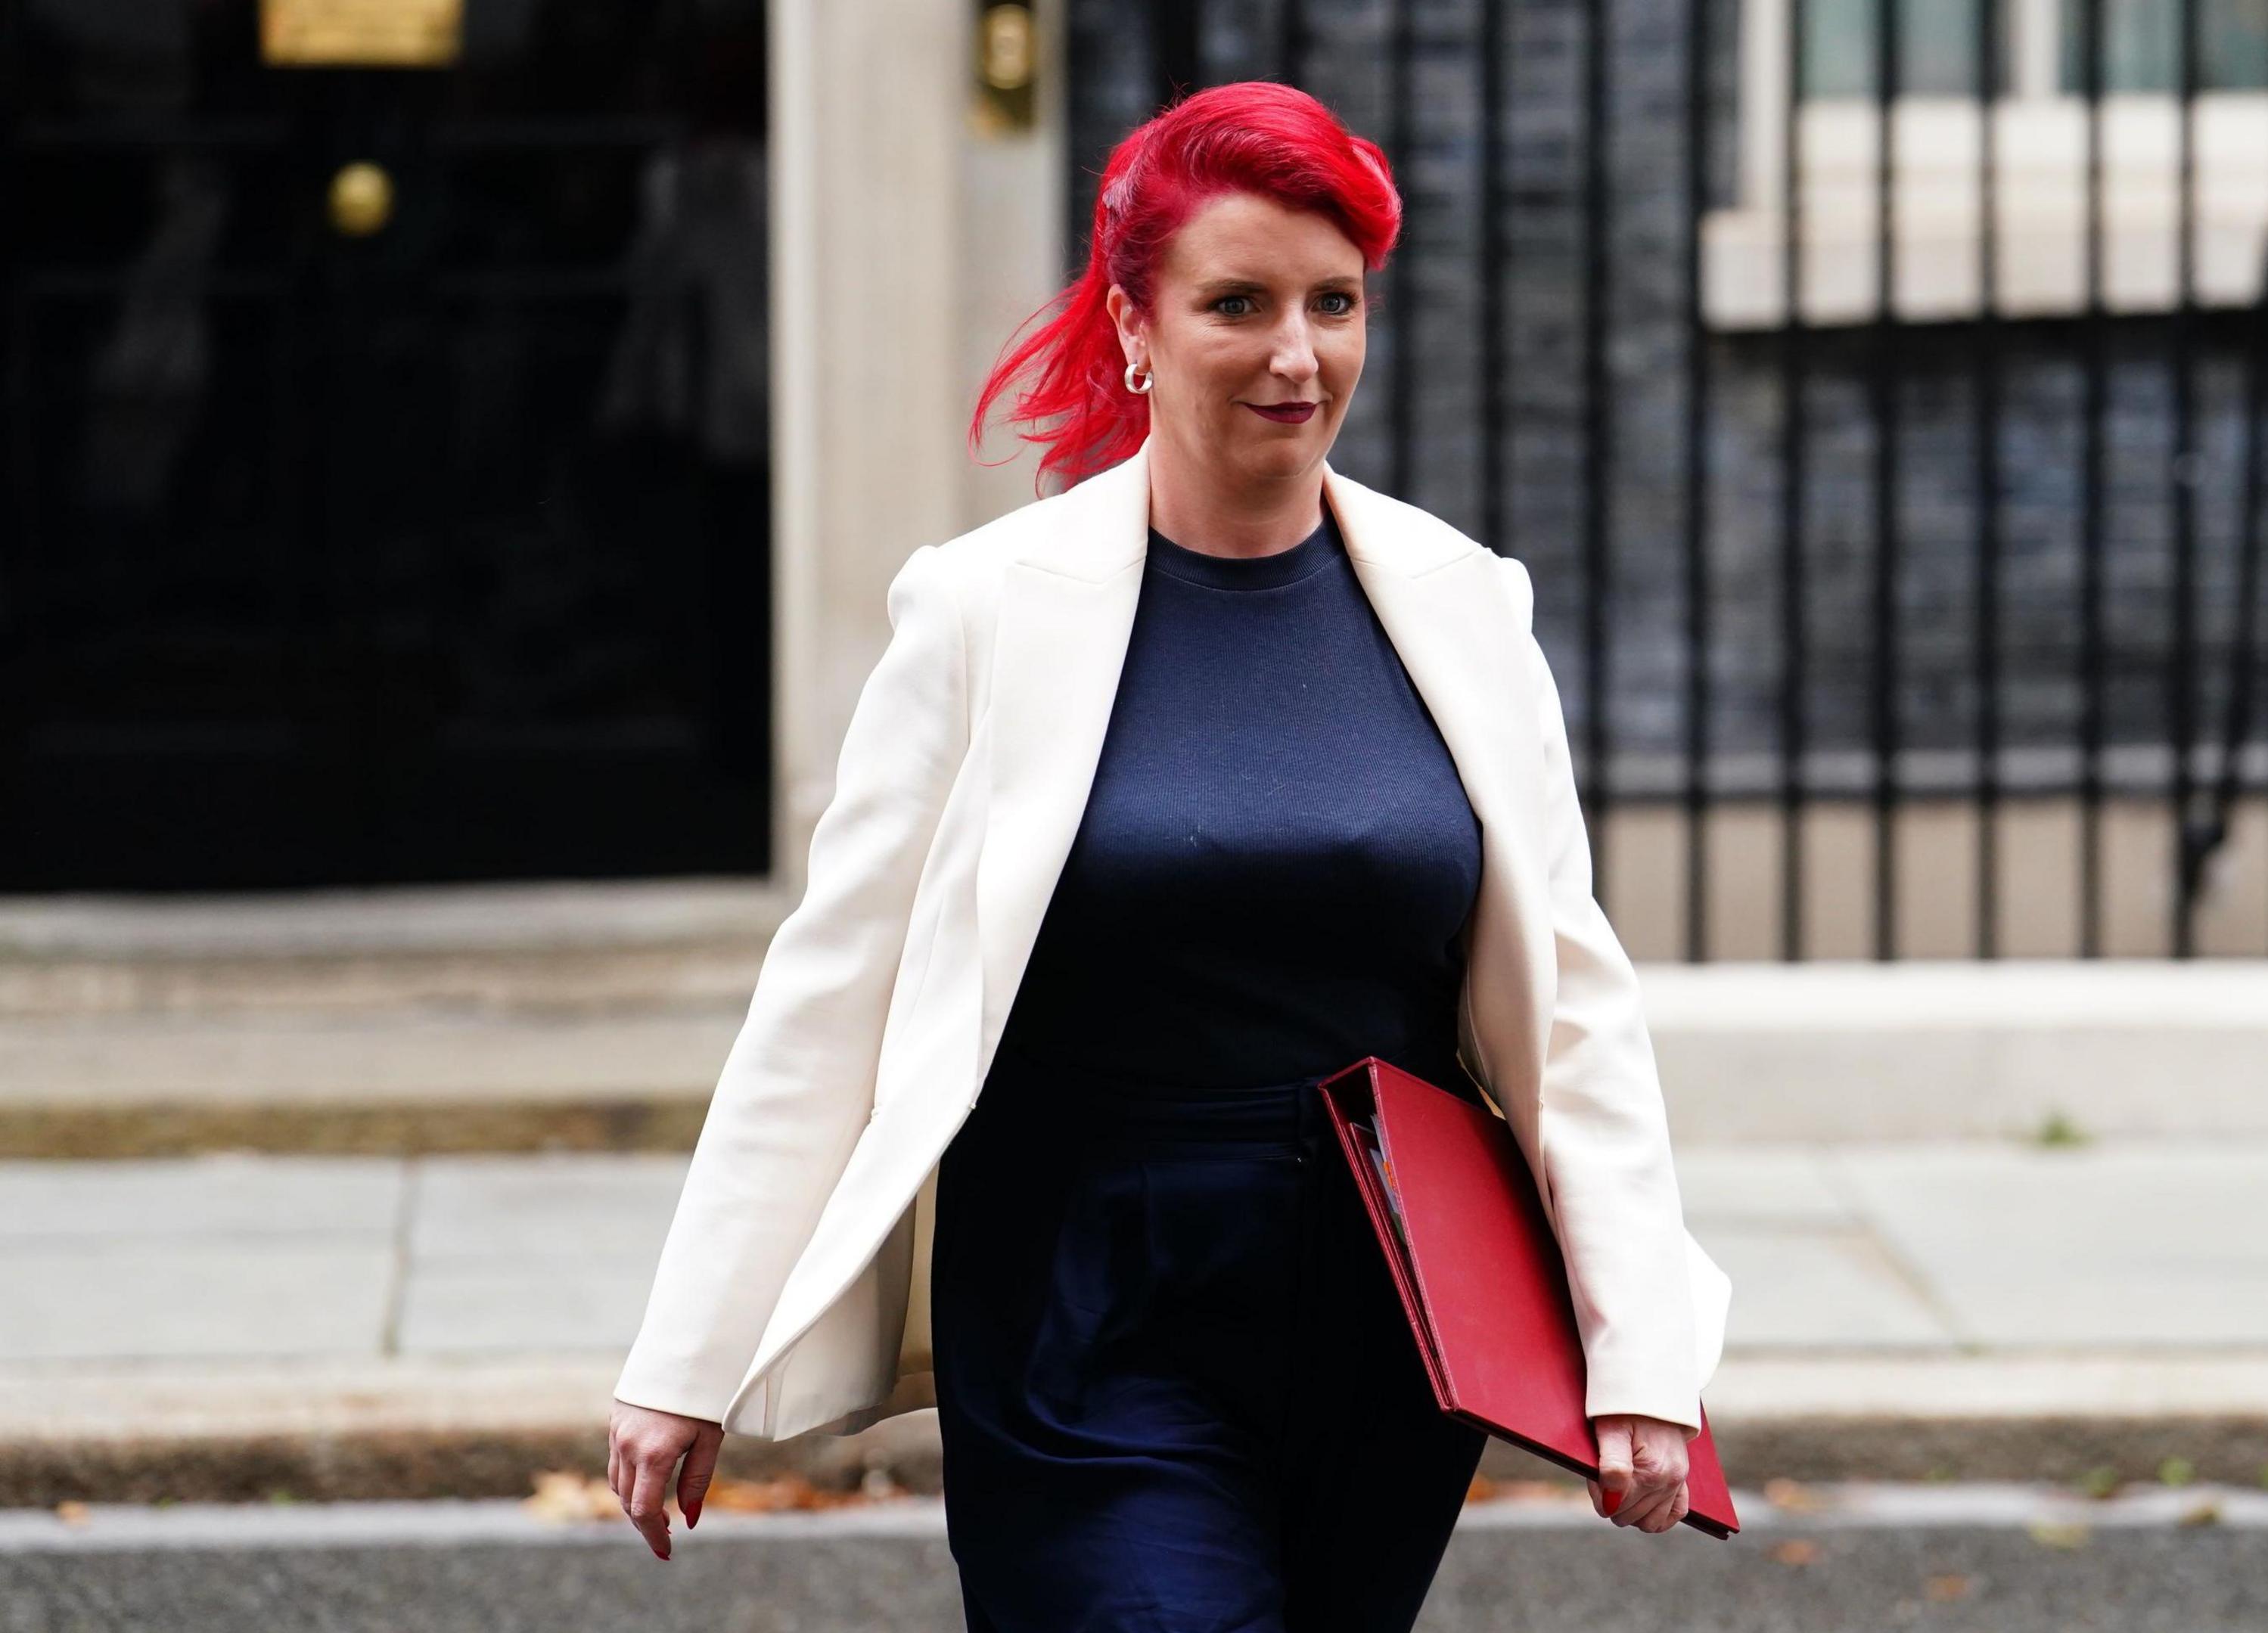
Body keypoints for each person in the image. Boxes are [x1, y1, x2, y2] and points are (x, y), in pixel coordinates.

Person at [601, 80, 1729, 1629]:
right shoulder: (985, 608)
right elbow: (834, 994)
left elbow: (1574, 1012)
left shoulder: (1466, 605)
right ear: (1134, 326)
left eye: (1336, 303)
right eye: (1240, 304)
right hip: (1082, 1290)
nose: (1298, 353)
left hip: (1390, 1311)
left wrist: (1640, 1357)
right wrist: (688, 1357)